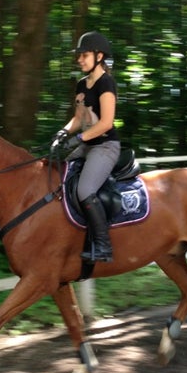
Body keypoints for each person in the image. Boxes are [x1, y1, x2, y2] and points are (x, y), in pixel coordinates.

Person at [52, 31, 120, 262]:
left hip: (105, 146)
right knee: (57, 176)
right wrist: (63, 133)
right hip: (86, 144)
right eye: (79, 55)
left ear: (99, 56)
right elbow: (79, 119)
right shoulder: (82, 84)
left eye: (84, 55)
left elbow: (106, 123)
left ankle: (103, 246)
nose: (79, 59)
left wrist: (79, 139)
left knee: (84, 190)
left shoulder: (106, 83)